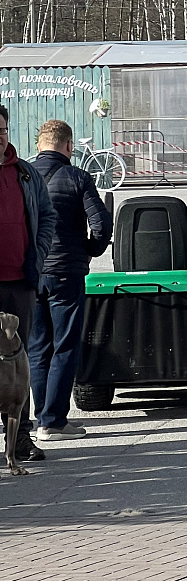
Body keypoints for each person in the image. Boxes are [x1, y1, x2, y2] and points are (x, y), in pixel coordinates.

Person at [28, 119, 112, 441]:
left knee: (37, 349)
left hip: (32, 273)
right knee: (64, 347)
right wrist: (89, 250)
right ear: (68, 146)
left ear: (39, 145)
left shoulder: (23, 176)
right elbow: (102, 224)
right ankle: (54, 422)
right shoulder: (78, 177)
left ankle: (39, 421)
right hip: (67, 272)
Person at [0, 104, 54, 464]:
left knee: (19, 363)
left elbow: (47, 216)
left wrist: (40, 250)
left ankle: (19, 440)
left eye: (1, 129)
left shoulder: (27, 175)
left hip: (21, 281)